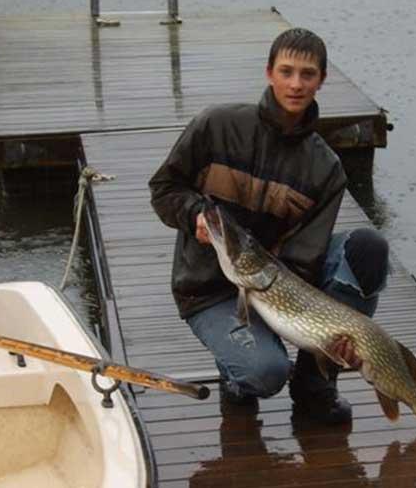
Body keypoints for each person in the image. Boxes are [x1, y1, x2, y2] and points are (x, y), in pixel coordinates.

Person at [149, 28, 389, 424]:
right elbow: (163, 188)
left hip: (276, 278)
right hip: (208, 289)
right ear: (269, 73)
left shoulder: (325, 167)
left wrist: (328, 339)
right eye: (286, 71)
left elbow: (304, 259)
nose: (296, 84)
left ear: (321, 80)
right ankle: (236, 374)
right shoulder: (217, 125)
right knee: (264, 373)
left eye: (307, 74)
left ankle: (314, 384)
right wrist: (194, 215)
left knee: (368, 249)